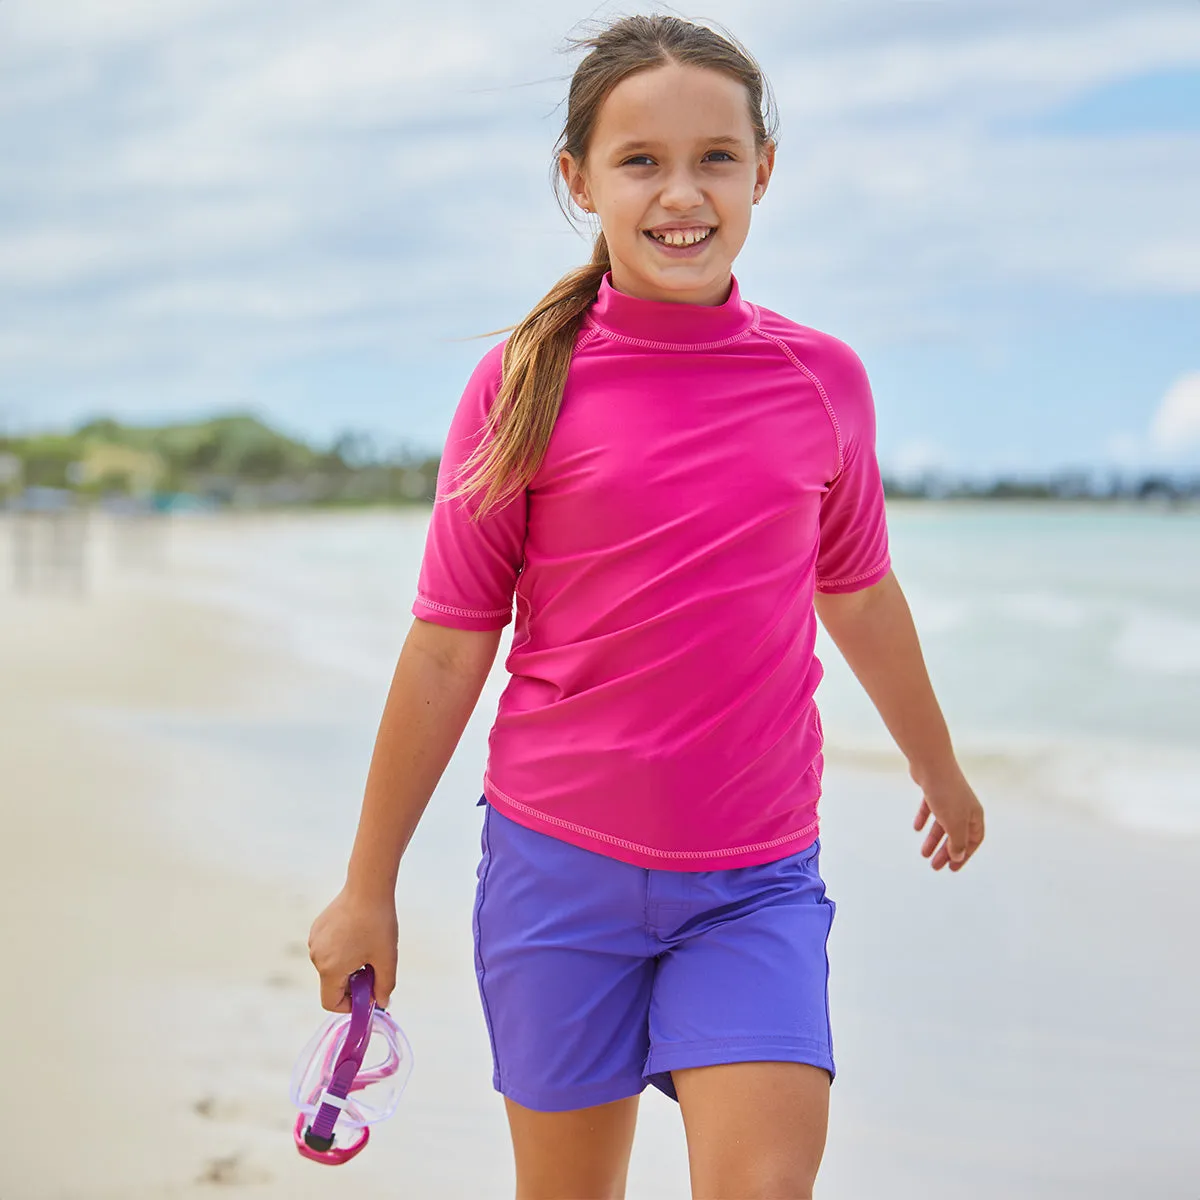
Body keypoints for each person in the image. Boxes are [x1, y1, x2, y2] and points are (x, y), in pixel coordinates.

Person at [308, 13, 986, 1199]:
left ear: (763, 171)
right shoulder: (524, 384)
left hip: (756, 878)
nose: (685, 192)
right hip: (554, 870)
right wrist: (369, 882)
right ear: (580, 181)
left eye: (717, 157)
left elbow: (861, 593)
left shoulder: (821, 381)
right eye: (641, 161)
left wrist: (939, 766)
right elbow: (449, 645)